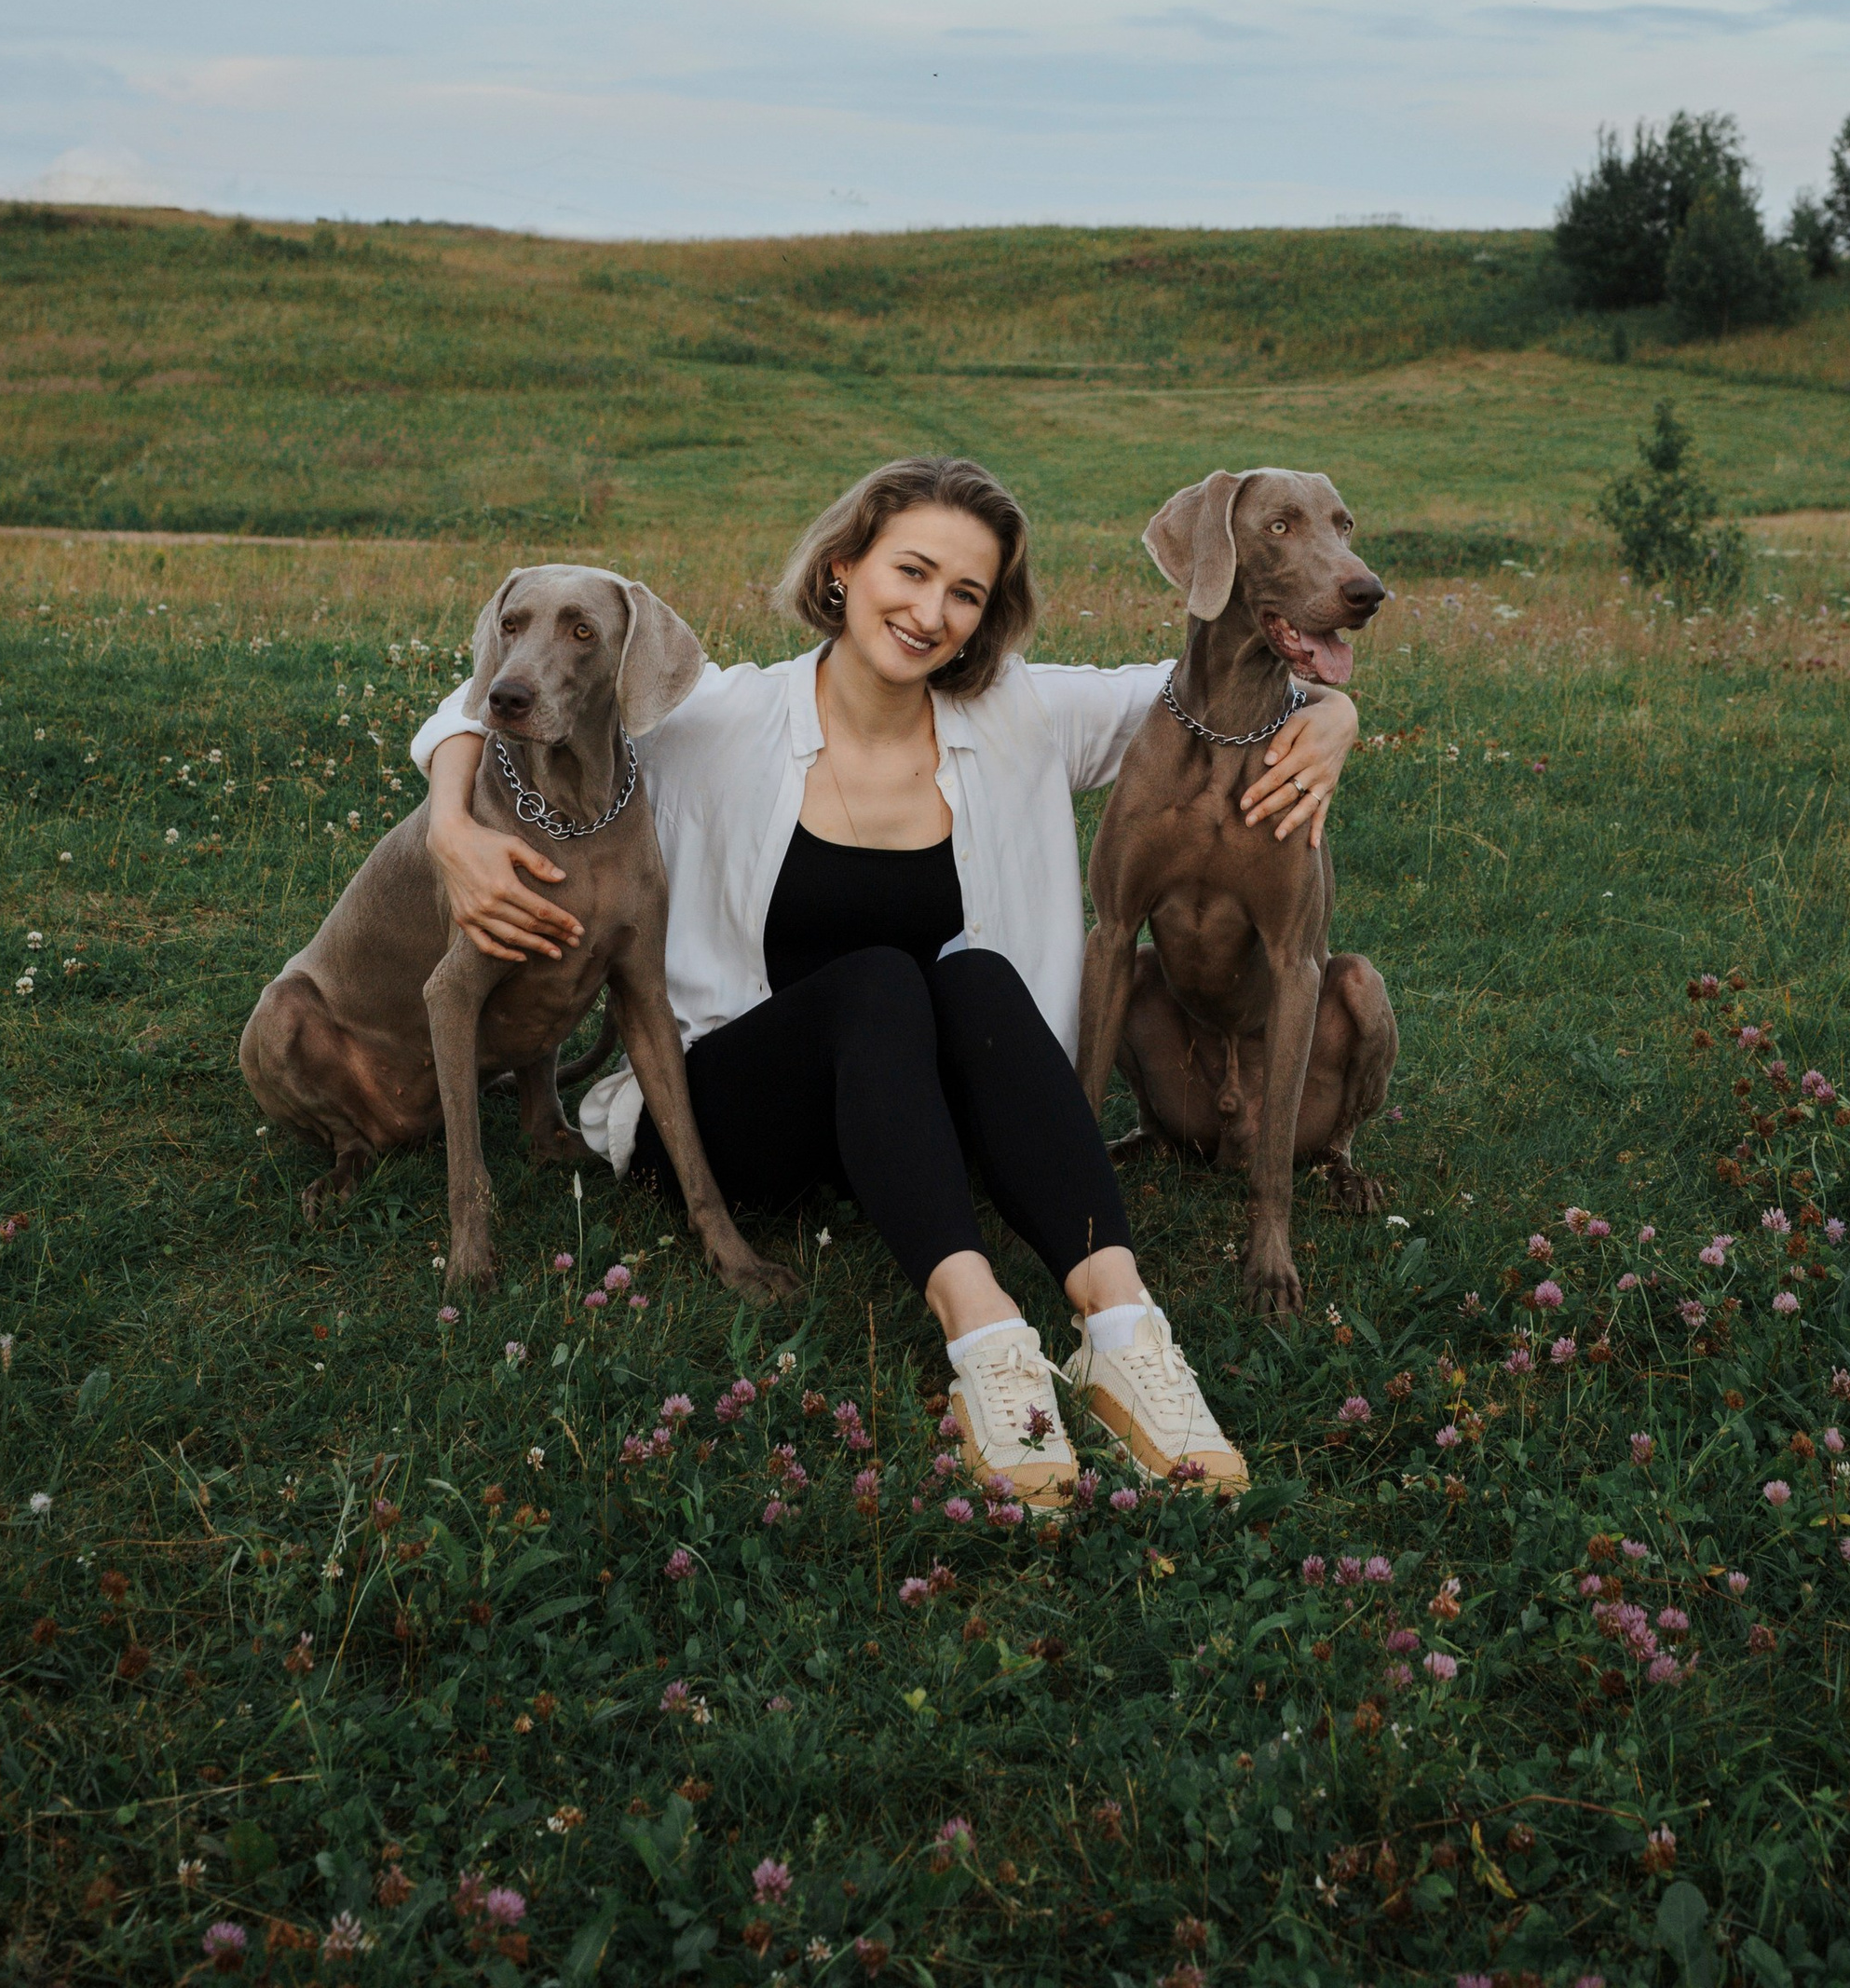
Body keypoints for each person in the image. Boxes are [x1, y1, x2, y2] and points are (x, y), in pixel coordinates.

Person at [412, 455, 1357, 1507]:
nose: (931, 613)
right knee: (878, 981)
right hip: (742, 1110)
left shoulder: (1019, 711)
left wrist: (1331, 714)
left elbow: (1208, 684)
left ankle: (1127, 1333)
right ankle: (987, 1338)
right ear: (844, 567)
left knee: (974, 977)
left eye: (967, 593)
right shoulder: (719, 717)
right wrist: (451, 825)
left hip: (926, 1113)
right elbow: (477, 704)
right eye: (910, 572)